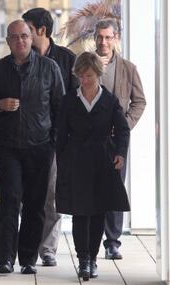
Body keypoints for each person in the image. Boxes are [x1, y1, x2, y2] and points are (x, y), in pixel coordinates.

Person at [0, 20, 64, 275]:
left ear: (32, 38)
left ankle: (28, 258)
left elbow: (59, 108)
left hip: (40, 146)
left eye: (25, 36)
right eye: (15, 37)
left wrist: (53, 143)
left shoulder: (49, 68)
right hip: (8, 147)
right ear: (8, 41)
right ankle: (5, 258)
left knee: (35, 204)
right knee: (9, 202)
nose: (21, 41)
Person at [56, 51, 130, 280]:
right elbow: (60, 135)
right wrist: (62, 163)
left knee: (98, 212)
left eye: (89, 75)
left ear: (98, 74)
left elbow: (123, 129)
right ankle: (83, 260)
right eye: (81, 76)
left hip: (102, 162)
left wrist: (120, 153)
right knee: (80, 213)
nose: (85, 80)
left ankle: (94, 258)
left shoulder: (109, 100)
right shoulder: (68, 100)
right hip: (76, 161)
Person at [22, 7, 78, 267]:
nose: (23, 36)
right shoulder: (19, 58)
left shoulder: (67, 59)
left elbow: (75, 101)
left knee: (51, 197)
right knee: (27, 196)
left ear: (41, 31)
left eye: (28, 30)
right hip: (26, 140)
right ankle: (27, 248)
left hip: (56, 140)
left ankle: (48, 249)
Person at [93, 18, 146, 260]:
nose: (103, 42)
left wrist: (125, 126)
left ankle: (112, 242)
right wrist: (95, 71)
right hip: (89, 140)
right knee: (91, 189)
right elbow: (72, 94)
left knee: (114, 189)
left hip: (116, 141)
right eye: (100, 37)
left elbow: (139, 101)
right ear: (94, 38)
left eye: (108, 37)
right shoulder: (84, 64)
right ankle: (91, 240)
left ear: (115, 39)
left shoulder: (128, 68)